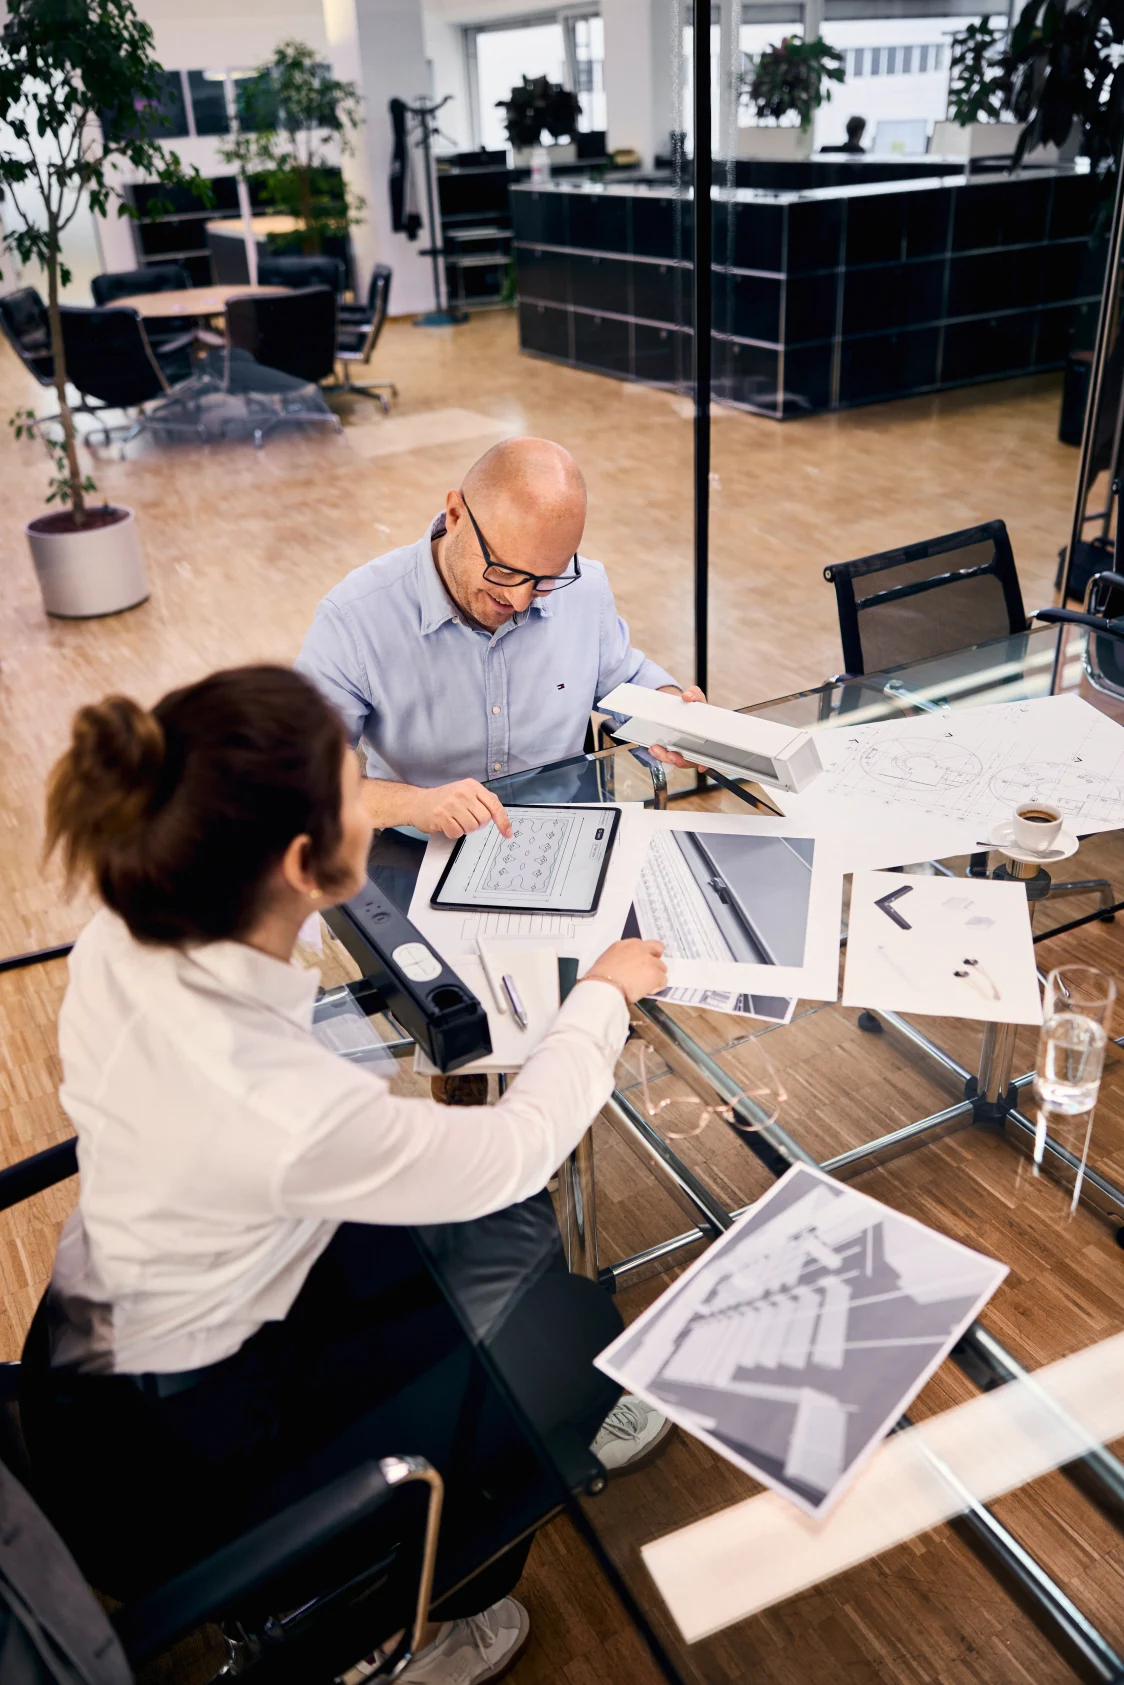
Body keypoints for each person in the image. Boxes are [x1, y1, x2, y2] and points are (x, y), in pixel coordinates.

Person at [21, 665, 668, 1685]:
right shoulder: (274, 1104)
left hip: (93, 1354)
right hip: (191, 1459)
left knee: (513, 1257)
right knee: (571, 1345)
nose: (372, 803)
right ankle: (400, 1633)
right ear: (301, 859)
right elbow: (513, 1150)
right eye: (358, 792)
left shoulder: (129, 923)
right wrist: (598, 994)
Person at [296, 436, 704, 842]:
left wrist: (673, 714)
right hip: (421, 848)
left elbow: (628, 678)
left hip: (564, 834)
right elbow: (302, 780)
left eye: (545, 579)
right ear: (455, 514)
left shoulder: (584, 589)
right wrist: (415, 805)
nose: (519, 598)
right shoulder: (355, 618)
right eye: (504, 571)